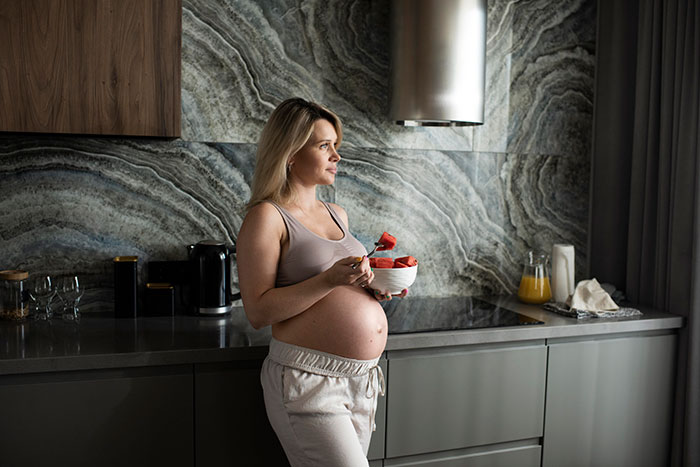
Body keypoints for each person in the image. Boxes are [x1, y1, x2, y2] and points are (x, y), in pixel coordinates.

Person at [236, 97, 407, 467]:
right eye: (324, 145)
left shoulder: (336, 213)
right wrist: (330, 279)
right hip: (308, 380)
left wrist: (371, 288)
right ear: (291, 153)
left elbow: (339, 287)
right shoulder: (267, 217)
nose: (336, 156)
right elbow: (258, 311)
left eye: (336, 146)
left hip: (361, 381)